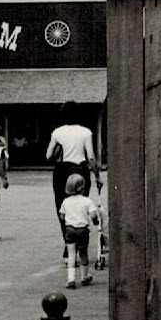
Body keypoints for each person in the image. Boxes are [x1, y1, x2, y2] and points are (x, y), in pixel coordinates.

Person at [46, 101, 103, 241]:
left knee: (63, 207)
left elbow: (48, 156)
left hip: (61, 171)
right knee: (80, 205)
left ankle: (68, 242)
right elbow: (90, 156)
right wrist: (97, 176)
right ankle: (80, 239)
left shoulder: (57, 132)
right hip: (80, 169)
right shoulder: (85, 132)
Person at [58, 174, 100, 289]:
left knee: (71, 254)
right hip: (82, 230)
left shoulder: (66, 201)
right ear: (82, 187)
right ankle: (84, 276)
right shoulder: (87, 201)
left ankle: (71, 279)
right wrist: (95, 221)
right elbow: (93, 215)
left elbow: (61, 216)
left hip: (70, 230)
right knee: (83, 253)